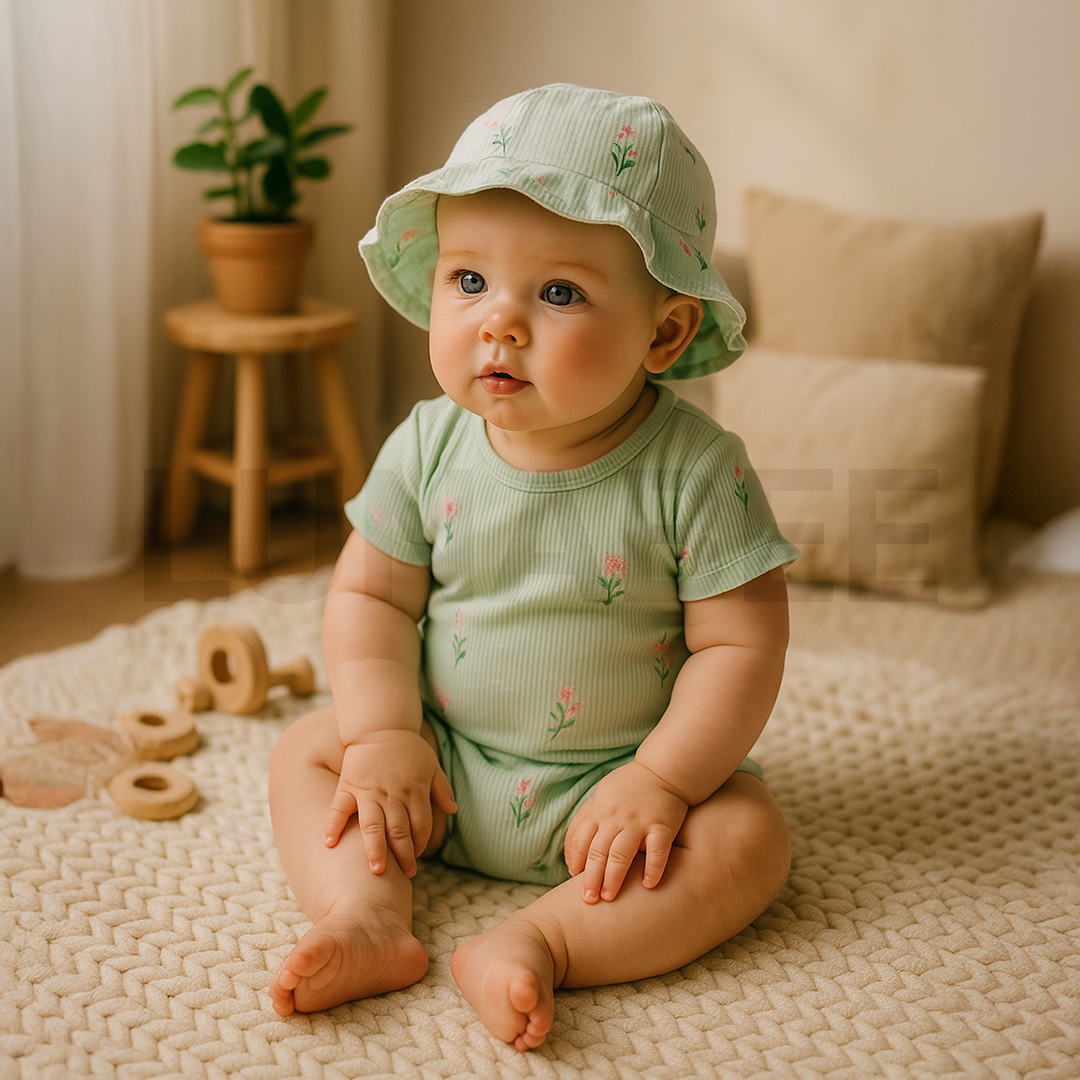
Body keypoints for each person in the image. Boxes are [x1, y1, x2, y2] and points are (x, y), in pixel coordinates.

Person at [268, 83, 800, 1051]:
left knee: (748, 840)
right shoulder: (428, 445)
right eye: (469, 280)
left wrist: (664, 780)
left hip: (615, 796)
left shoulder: (697, 471)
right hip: (439, 770)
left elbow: (744, 646)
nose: (499, 323)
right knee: (308, 750)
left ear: (664, 332)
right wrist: (384, 735)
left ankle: (541, 940)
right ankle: (368, 914)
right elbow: (369, 596)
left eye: (558, 293)